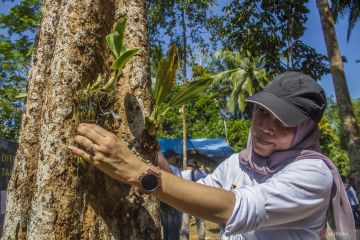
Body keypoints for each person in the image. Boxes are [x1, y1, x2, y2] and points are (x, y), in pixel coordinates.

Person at [69, 71, 355, 240]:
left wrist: (135, 171)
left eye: (284, 121)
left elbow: (231, 209)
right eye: (262, 112)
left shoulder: (312, 174)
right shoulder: (238, 162)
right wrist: (147, 150)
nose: (267, 126)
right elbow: (193, 193)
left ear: (307, 129)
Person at [180, 159, 207, 240]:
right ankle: (201, 238)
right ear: (195, 166)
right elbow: (208, 178)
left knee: (185, 223)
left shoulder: (182, 173)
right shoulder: (199, 174)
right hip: (198, 202)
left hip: (186, 201)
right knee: (200, 223)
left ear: (187, 165)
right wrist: (203, 170)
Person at [160, 149, 182, 240]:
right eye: (174, 157)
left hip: (163, 202)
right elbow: (181, 185)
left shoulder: (161, 169)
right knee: (174, 229)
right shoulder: (175, 169)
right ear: (170, 158)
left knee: (166, 229)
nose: (176, 159)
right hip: (174, 203)